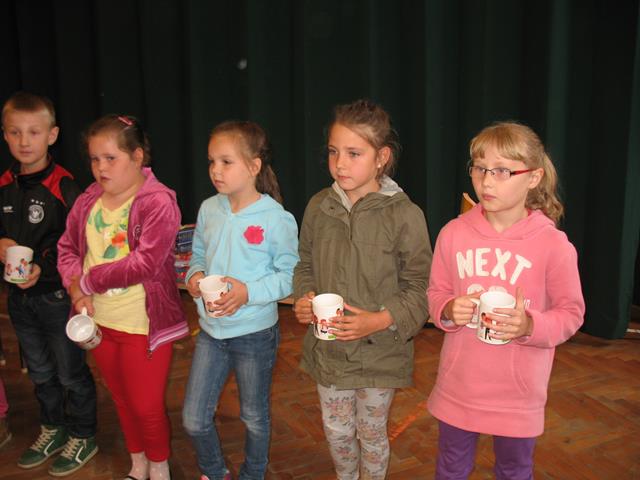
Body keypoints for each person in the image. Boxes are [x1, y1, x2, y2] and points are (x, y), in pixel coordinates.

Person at [427, 121, 585, 479]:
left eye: (502, 171)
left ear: (533, 178)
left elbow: (571, 314)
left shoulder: (553, 245)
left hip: (518, 395)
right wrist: (448, 309)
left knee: (514, 470)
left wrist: (530, 325)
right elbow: (436, 294)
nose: (487, 182)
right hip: (459, 387)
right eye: (480, 168)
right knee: (450, 468)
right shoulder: (453, 234)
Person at [292, 99, 432, 480]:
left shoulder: (405, 215)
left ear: (381, 158)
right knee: (337, 431)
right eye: (333, 152)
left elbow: (421, 287)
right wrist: (304, 297)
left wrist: (380, 320)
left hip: (380, 354)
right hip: (330, 352)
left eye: (354, 153)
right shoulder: (319, 207)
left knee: (371, 435)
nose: (340, 163)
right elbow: (305, 264)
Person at [57, 114, 189, 480]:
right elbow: (67, 248)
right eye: (94, 159)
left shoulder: (158, 201)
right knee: (121, 398)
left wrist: (88, 281)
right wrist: (74, 287)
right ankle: (138, 464)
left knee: (146, 406)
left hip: (143, 325)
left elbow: (145, 263)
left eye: (110, 158)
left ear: (138, 156)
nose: (100, 168)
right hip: (99, 322)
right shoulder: (88, 199)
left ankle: (159, 467)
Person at [182, 120, 299, 480]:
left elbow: (289, 277)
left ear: (253, 166)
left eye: (226, 162)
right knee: (194, 419)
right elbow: (197, 256)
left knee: (254, 416)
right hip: (211, 332)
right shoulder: (209, 209)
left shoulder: (276, 219)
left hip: (254, 334)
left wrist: (248, 292)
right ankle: (215, 472)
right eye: (211, 161)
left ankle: (253, 473)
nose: (215, 170)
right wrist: (194, 277)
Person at [0, 91, 98, 476]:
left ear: (52, 135)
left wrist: (44, 267)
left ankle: (83, 434)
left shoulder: (66, 187)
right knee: (40, 371)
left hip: (58, 297)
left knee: (70, 371)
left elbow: (79, 244)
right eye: (15, 132)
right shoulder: (4, 185)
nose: (24, 141)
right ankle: (53, 427)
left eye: (34, 132)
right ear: (5, 135)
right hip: (19, 300)